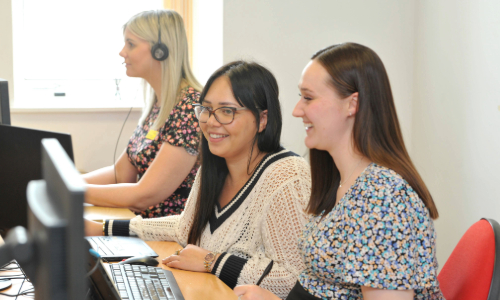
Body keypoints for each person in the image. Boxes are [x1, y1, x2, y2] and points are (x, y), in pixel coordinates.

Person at [235, 43, 444, 299]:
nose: (297, 110)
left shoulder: (383, 197)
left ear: (352, 104)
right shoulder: (341, 180)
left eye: (308, 98)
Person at [85, 61, 311, 298]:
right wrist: (104, 227)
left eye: (227, 111)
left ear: (263, 119)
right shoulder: (215, 166)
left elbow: (293, 279)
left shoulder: (287, 177)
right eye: (206, 109)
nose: (211, 122)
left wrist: (212, 261)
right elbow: (185, 227)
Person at [82, 10, 203, 218]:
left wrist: (74, 191)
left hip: (170, 238)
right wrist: (68, 182)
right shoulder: (159, 103)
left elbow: (144, 195)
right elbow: (121, 173)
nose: (122, 52)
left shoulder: (189, 108)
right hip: (142, 226)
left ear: (160, 51)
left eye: (131, 44)